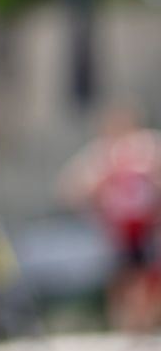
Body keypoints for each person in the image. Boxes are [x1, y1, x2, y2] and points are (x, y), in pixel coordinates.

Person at [60, 104, 161, 332]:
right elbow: (70, 188)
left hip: (146, 226)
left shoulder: (148, 147)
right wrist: (99, 189)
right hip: (118, 230)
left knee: (147, 279)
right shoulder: (102, 153)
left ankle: (144, 324)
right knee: (124, 279)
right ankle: (128, 326)